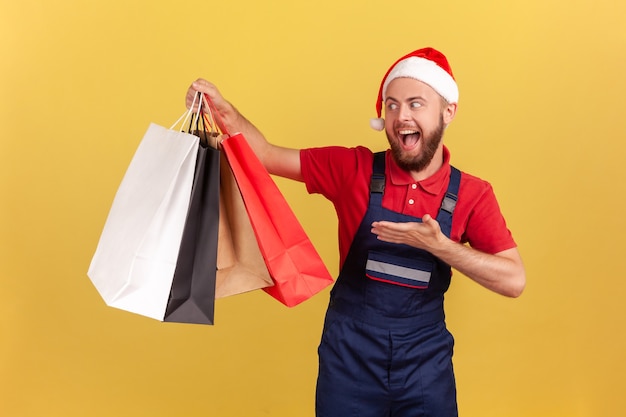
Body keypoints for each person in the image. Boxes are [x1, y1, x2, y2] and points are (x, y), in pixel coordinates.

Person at [186, 47, 526, 417]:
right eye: (392, 105)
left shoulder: (473, 194)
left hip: (426, 367)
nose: (401, 116)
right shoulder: (352, 168)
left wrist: (442, 247)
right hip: (349, 362)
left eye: (416, 104)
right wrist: (224, 112)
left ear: (448, 112)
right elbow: (265, 154)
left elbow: (513, 280)